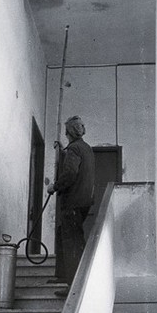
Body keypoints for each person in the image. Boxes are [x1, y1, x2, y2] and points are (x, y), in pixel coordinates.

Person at [47, 116, 95, 292]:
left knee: (72, 243)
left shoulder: (74, 149)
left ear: (68, 133)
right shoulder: (86, 149)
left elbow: (70, 173)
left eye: (66, 132)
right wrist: (62, 151)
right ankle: (63, 276)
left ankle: (74, 286)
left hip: (72, 203)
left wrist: (55, 187)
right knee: (65, 236)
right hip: (83, 202)